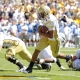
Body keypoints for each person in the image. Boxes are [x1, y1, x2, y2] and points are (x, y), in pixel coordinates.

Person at [24, 5, 72, 73]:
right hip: (46, 36)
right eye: (40, 13)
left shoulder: (52, 20)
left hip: (54, 39)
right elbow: (41, 26)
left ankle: (68, 57)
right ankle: (30, 68)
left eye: (41, 13)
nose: (40, 15)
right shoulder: (44, 17)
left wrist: (41, 33)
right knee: (36, 50)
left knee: (56, 55)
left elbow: (51, 35)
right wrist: (40, 28)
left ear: (46, 13)